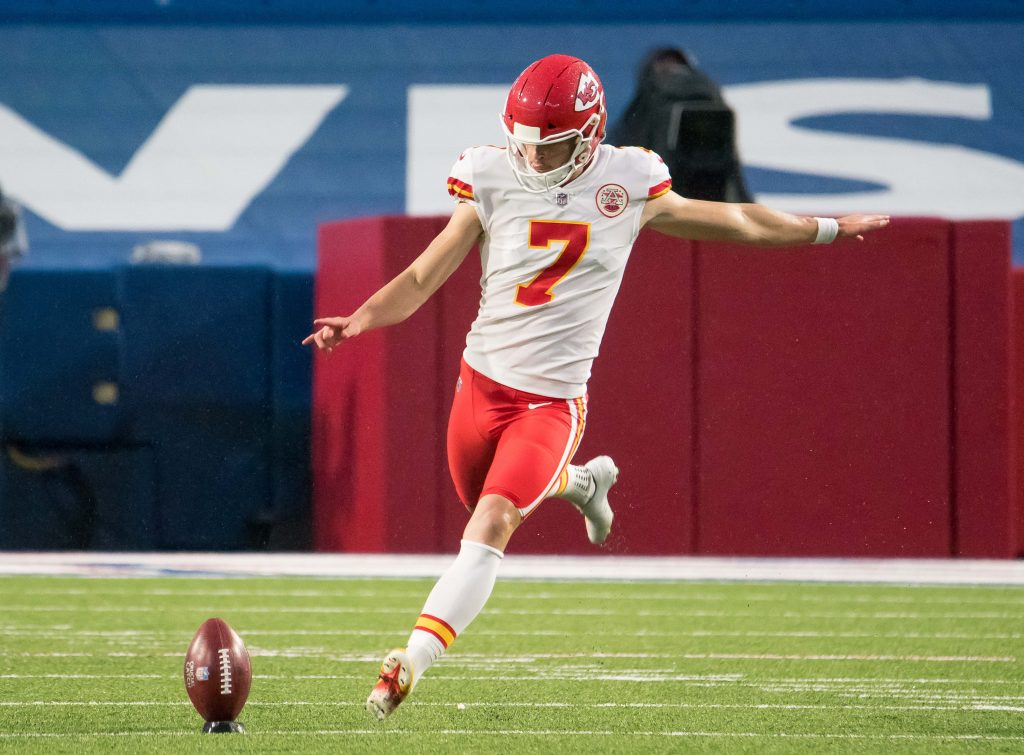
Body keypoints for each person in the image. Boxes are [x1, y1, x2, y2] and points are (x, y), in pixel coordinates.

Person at [303, 53, 888, 721]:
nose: (530, 157)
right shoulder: (492, 174)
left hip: (551, 402)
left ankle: (407, 662)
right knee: (490, 498)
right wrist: (358, 321)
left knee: (491, 521)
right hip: (480, 386)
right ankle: (583, 483)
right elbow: (420, 278)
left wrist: (826, 228)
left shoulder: (630, 182)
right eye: (522, 141)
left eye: (546, 147)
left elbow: (740, 222)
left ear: (589, 135)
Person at [608, 47, 754, 202]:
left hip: (659, 203)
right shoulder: (709, 92)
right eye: (665, 67)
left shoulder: (636, 115)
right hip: (712, 203)